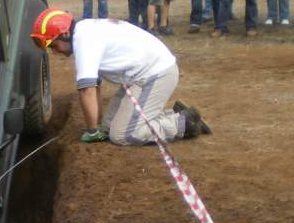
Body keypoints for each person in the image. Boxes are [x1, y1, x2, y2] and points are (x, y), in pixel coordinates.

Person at [30, 8, 211, 145]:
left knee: (123, 135)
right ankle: (173, 113)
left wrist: (93, 131)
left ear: (65, 34)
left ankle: (184, 122)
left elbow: (87, 91)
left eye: (53, 46)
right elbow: (95, 86)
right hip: (141, 76)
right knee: (108, 127)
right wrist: (98, 126)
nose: (54, 52)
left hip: (156, 74)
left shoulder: (84, 42)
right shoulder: (84, 31)